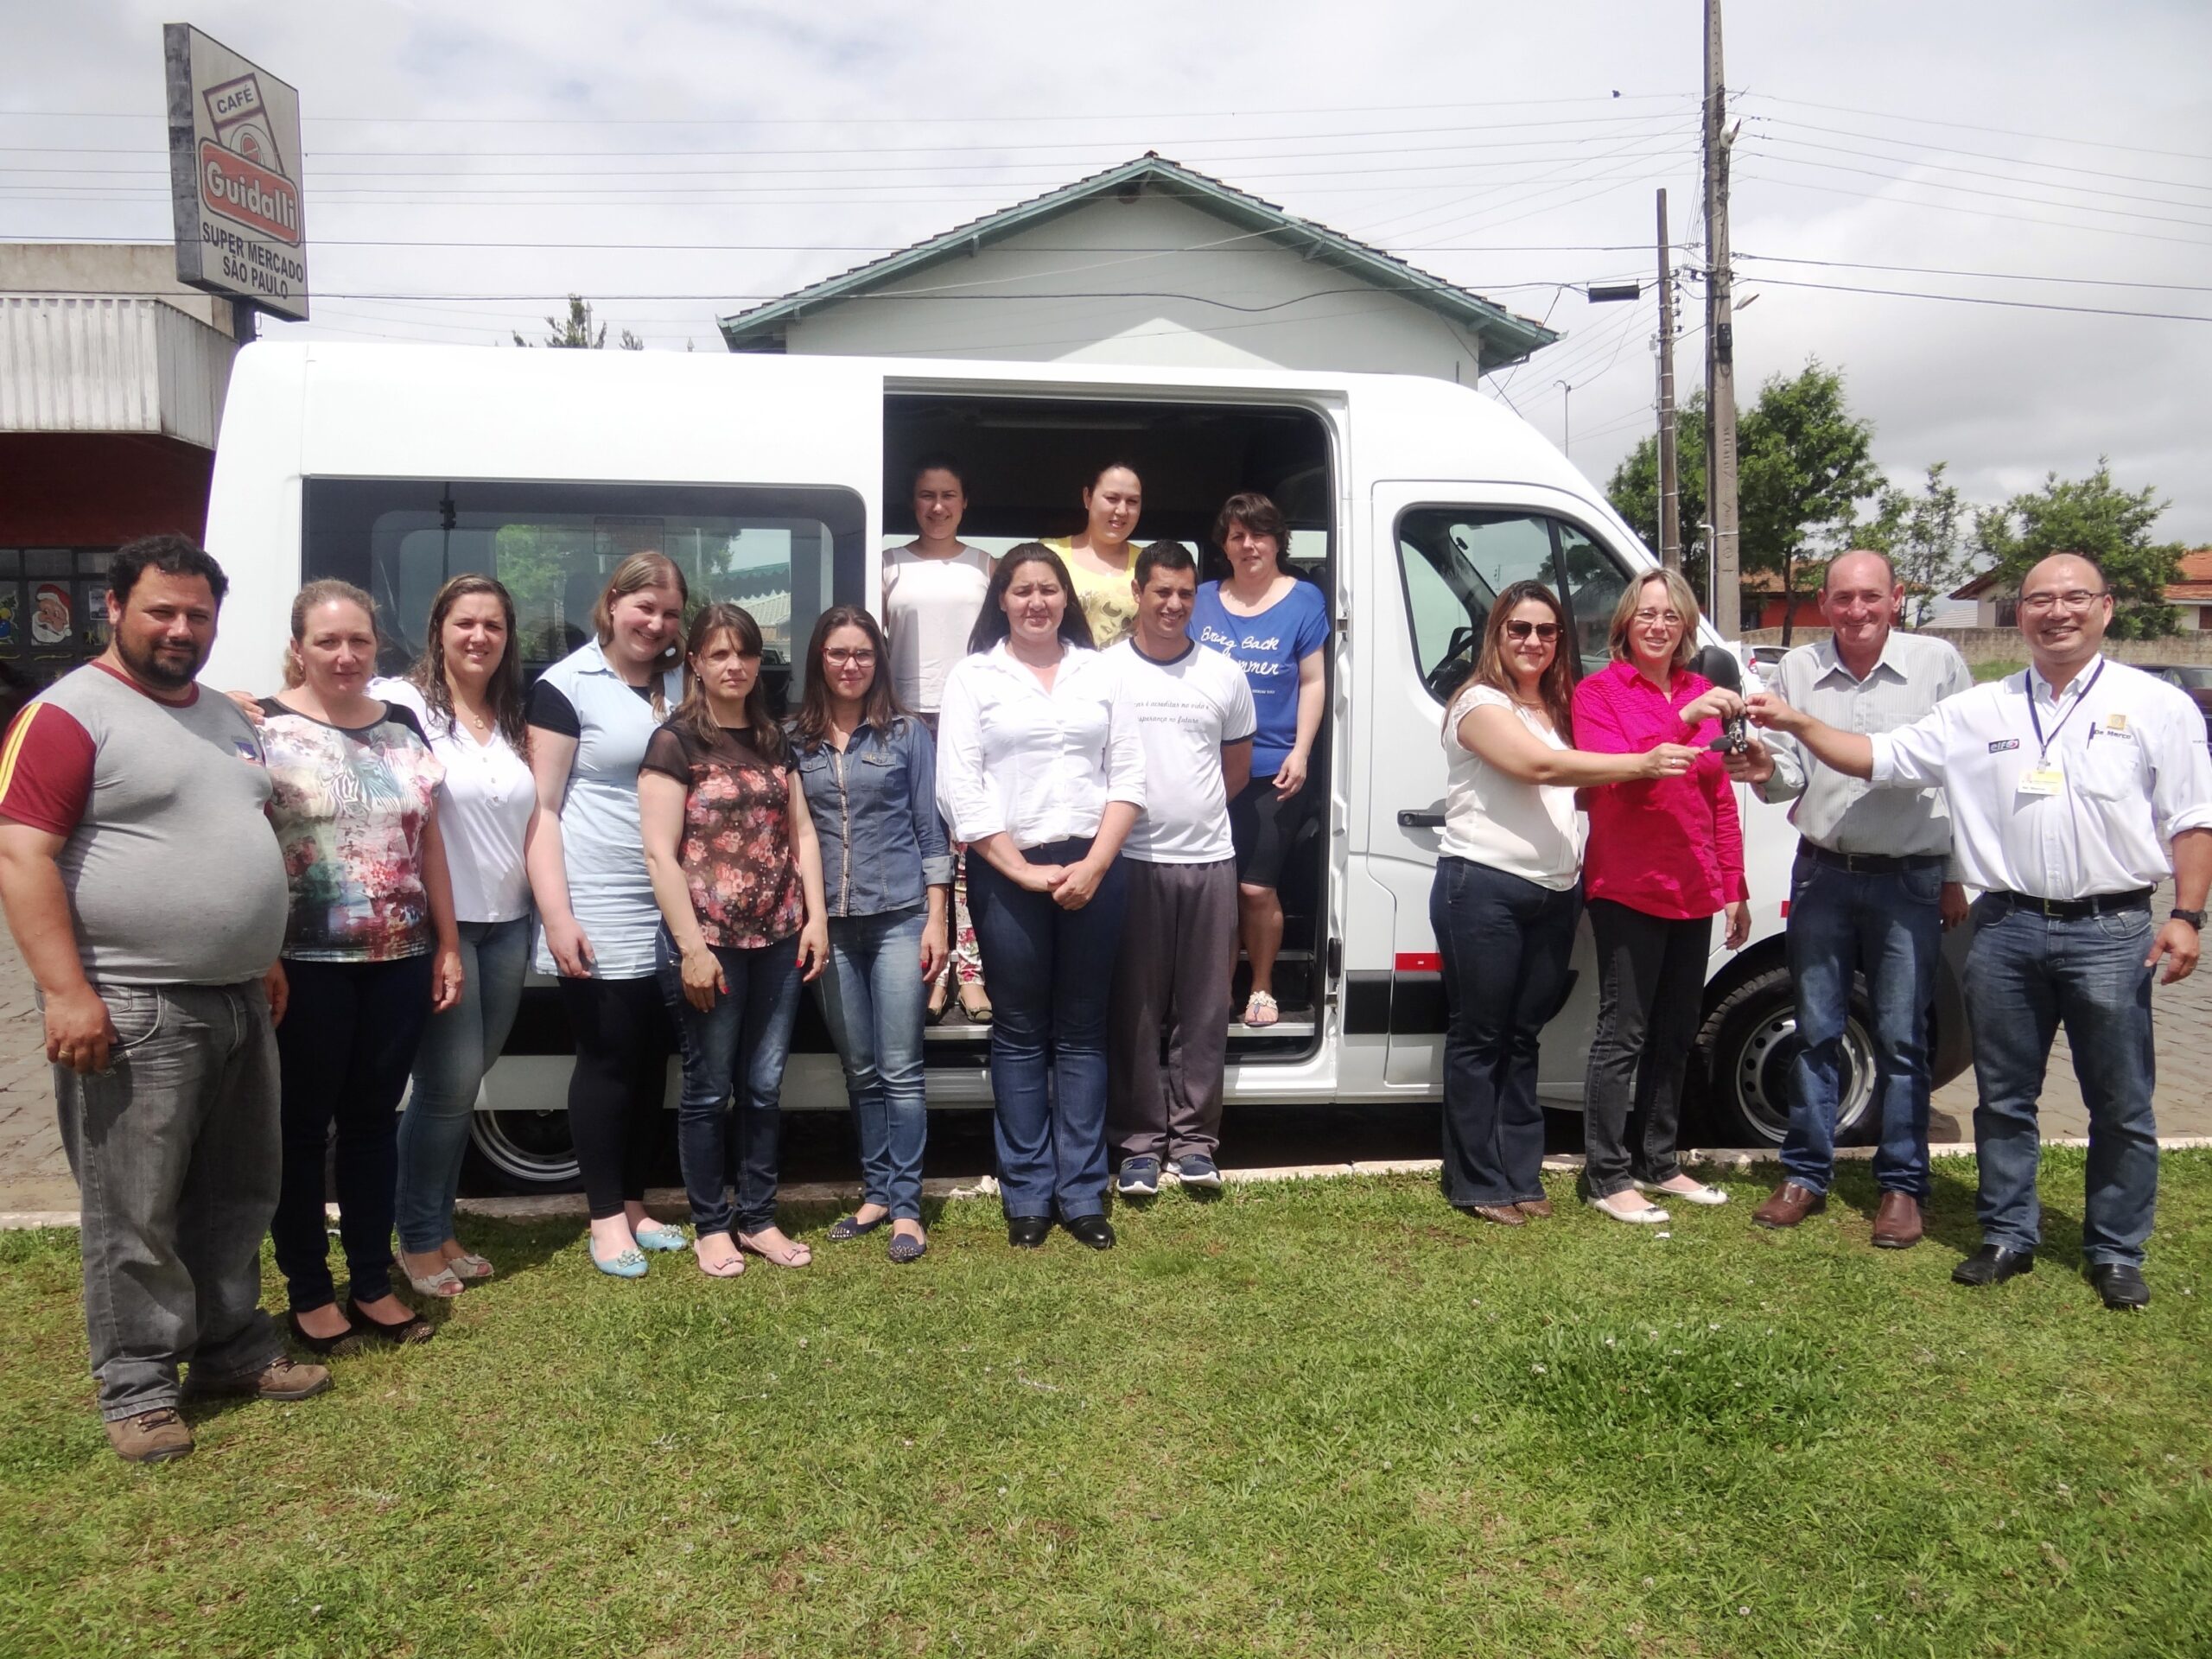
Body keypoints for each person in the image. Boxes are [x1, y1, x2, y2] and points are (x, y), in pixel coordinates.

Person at [1750, 555, 2212, 1309]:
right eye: (2038, 601)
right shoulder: (1987, 708)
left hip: (2110, 925)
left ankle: (2117, 1250)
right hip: (2008, 925)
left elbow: (2193, 817)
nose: (2055, 613)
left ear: (2106, 608)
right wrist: (1797, 722)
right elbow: (1886, 758)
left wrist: (2188, 916)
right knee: (2004, 1096)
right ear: (2018, 614)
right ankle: (2007, 1233)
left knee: (2121, 1100)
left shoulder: (2156, 705)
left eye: (2073, 599)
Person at [0, 535, 326, 1464]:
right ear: (114, 609)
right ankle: (138, 1388)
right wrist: (67, 992)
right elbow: (21, 854)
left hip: (236, 998)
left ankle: (231, 1351)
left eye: (197, 614)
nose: (181, 628)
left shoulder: (224, 716)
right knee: (134, 1208)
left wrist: (257, 950)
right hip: (132, 1004)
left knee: (237, 1194)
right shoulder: (67, 715)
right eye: (162, 611)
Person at [1430, 582, 1703, 1226]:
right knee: (1480, 1036)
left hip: (1553, 892)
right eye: (1519, 629)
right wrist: (1640, 765)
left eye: (1547, 631)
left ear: (1561, 640)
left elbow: (1580, 783)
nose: (1533, 642)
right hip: (1484, 886)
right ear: (1496, 634)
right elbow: (1541, 769)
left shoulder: (1558, 707)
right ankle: (1475, 1181)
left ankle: (1520, 1175)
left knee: (1523, 1037)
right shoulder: (1478, 703)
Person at [1724, 552, 1973, 1248]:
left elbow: (1964, 776)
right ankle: (1804, 1172)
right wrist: (1761, 769)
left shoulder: (1937, 664)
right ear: (1824, 604)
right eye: (1842, 599)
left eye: (1870, 597)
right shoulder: (1797, 670)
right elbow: (1785, 776)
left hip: (1911, 878)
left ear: (1895, 599)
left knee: (1901, 1038)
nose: (1856, 611)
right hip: (1824, 873)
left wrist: (1957, 874)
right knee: (1817, 1030)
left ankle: (1901, 1186)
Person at [257, 581, 463, 1353]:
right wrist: (265, 953)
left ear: (378, 646)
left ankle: (372, 1282)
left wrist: (446, 943)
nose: (345, 656)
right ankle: (310, 1293)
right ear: (299, 647)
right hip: (306, 963)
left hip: (399, 958)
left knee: (376, 1124)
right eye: (328, 643)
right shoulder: (263, 729)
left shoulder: (403, 727)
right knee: (304, 1129)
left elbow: (428, 843)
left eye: (360, 642)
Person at [938, 543, 1145, 1250]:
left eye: (1048, 590)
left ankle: (1083, 1193)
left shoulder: (1103, 672)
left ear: (1067, 599)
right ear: (1001, 599)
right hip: (1008, 871)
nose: (1035, 602)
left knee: (1083, 1033)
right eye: (1021, 590)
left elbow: (1130, 777)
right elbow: (957, 785)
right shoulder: (975, 677)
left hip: (1095, 864)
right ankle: (1028, 1194)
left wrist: (1093, 863)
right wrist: (1021, 870)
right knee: (1021, 1034)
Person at [641, 604, 830, 1278]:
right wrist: (691, 948)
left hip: (779, 937)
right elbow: (661, 857)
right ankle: (711, 1225)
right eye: (718, 654)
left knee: (764, 1086)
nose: (734, 666)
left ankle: (758, 1217)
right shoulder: (675, 743)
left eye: (744, 654)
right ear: (694, 661)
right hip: (709, 943)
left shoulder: (775, 739)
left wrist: (816, 917)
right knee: (707, 1087)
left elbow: (802, 832)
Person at [371, 576, 539, 1298]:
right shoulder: (403, 703)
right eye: (465, 623)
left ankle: (438, 1228)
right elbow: (317, 699)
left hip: (508, 925)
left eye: (494, 626)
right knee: (445, 1088)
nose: (480, 637)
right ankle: (415, 1240)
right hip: (442, 927)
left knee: (463, 1088)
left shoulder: (508, 713)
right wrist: (243, 704)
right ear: (438, 628)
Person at [526, 551, 691, 1278]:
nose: (655, 624)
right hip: (601, 897)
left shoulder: (680, 681)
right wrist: (557, 916)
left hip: (672, 900)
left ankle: (633, 1205)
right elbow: (543, 809)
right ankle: (601, 1221)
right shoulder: (565, 687)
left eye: (669, 613)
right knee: (608, 1060)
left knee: (654, 1057)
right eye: (643, 607)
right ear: (613, 604)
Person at [1573, 569, 1751, 1224]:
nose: (1657, 625)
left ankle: (1658, 1160)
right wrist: (1682, 720)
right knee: (1624, 1033)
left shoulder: (1704, 688)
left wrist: (1733, 886)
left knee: (1676, 1034)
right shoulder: (1599, 694)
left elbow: (1718, 798)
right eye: (1646, 614)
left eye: (1670, 616)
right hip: (1627, 884)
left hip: (1692, 886)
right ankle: (1606, 1173)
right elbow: (1614, 775)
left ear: (1685, 627)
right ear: (1625, 623)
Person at [791, 606, 951, 1263]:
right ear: (819, 661)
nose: (850, 665)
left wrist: (938, 917)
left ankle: (908, 1208)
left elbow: (930, 830)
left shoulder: (907, 734)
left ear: (877, 661)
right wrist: (809, 919)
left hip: (899, 916)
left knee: (901, 1070)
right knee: (859, 1071)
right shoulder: (794, 740)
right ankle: (877, 1191)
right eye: (837, 654)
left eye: (862, 654)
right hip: (830, 926)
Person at [1103, 542, 1255, 1198]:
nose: (1172, 605)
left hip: (1208, 860)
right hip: (1131, 861)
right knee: (1133, 1010)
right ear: (1137, 593)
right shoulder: (1103, 671)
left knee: (1203, 1009)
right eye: (1161, 591)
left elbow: (1238, 769)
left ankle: (1194, 1143)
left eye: (1185, 594)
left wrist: (1191, 815)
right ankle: (1139, 1145)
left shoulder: (1224, 674)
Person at [1191, 493, 1329, 1029]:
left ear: (1278, 541)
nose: (1249, 545)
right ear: (1223, 544)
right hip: (1204, 768)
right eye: (1237, 535)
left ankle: (1262, 985)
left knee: (1254, 886)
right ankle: (1214, 989)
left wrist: (1302, 750)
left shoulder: (1304, 601)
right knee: (1213, 887)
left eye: (1260, 534)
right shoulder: (1200, 598)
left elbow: (1314, 681)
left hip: (1274, 767)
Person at [881, 454, 993, 1025]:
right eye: (927, 495)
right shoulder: (887, 567)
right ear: (913, 502)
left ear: (964, 501)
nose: (938, 506)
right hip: (904, 720)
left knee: (968, 850)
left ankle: (968, 971)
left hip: (968, 721)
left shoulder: (985, 567)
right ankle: (930, 969)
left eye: (948, 495)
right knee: (922, 853)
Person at [1046, 461, 1145, 649]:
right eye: (1112, 498)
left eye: (1132, 501)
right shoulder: (1049, 555)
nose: (1122, 510)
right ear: (1087, 498)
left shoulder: (1149, 564)